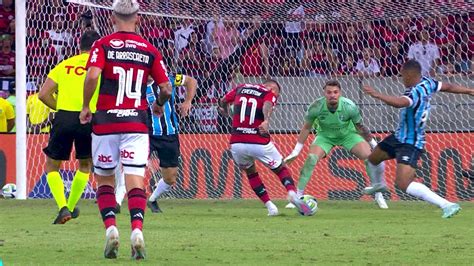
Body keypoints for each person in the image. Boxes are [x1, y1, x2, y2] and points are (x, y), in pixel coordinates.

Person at [79, 0, 172, 260]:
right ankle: (137, 231)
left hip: (106, 121)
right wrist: (159, 106)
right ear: (138, 18)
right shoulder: (149, 49)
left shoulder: (102, 45)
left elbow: (93, 76)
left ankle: (111, 229)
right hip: (136, 123)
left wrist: (86, 105)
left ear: (112, 18)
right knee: (135, 179)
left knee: (105, 179)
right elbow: (166, 88)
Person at [362, 59, 473, 218]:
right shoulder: (428, 82)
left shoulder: (414, 92)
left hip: (411, 143)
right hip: (399, 136)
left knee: (403, 184)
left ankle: (447, 205)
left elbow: (400, 103)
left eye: (402, 76)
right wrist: (469, 90)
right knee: (372, 159)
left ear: (409, 75)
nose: (401, 79)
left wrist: (378, 95)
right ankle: (379, 185)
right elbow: (448, 86)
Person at [284, 80, 388, 209]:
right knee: (311, 159)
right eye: (329, 92)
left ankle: (378, 195)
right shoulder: (316, 106)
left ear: (340, 93)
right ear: (324, 93)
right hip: (325, 136)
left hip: (348, 135)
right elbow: (306, 128)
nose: (332, 95)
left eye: (335, 92)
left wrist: (373, 144)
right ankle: (297, 197)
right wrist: (296, 151)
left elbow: (360, 127)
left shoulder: (349, 106)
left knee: (369, 158)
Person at [218, 80, 312, 216]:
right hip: (258, 141)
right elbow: (267, 105)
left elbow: (222, 101)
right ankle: (292, 193)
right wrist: (266, 120)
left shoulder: (241, 87)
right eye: (276, 93)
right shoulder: (269, 93)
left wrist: (228, 113)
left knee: (251, 173)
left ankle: (270, 207)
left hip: (237, 142)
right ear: (272, 88)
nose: (276, 96)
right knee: (281, 168)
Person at [38, 30, 101, 224]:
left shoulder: (64, 65)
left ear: (79, 46)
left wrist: (62, 107)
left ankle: (62, 207)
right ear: (97, 47)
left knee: (52, 165)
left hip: (64, 116)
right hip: (90, 116)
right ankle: (72, 207)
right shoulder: (100, 66)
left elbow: (43, 94)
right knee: (85, 164)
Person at [147, 73, 197, 213]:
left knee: (170, 178)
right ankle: (117, 200)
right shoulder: (135, 83)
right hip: (145, 134)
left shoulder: (168, 79)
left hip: (169, 135)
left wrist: (188, 101)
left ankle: (152, 200)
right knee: (132, 167)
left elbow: (191, 80)